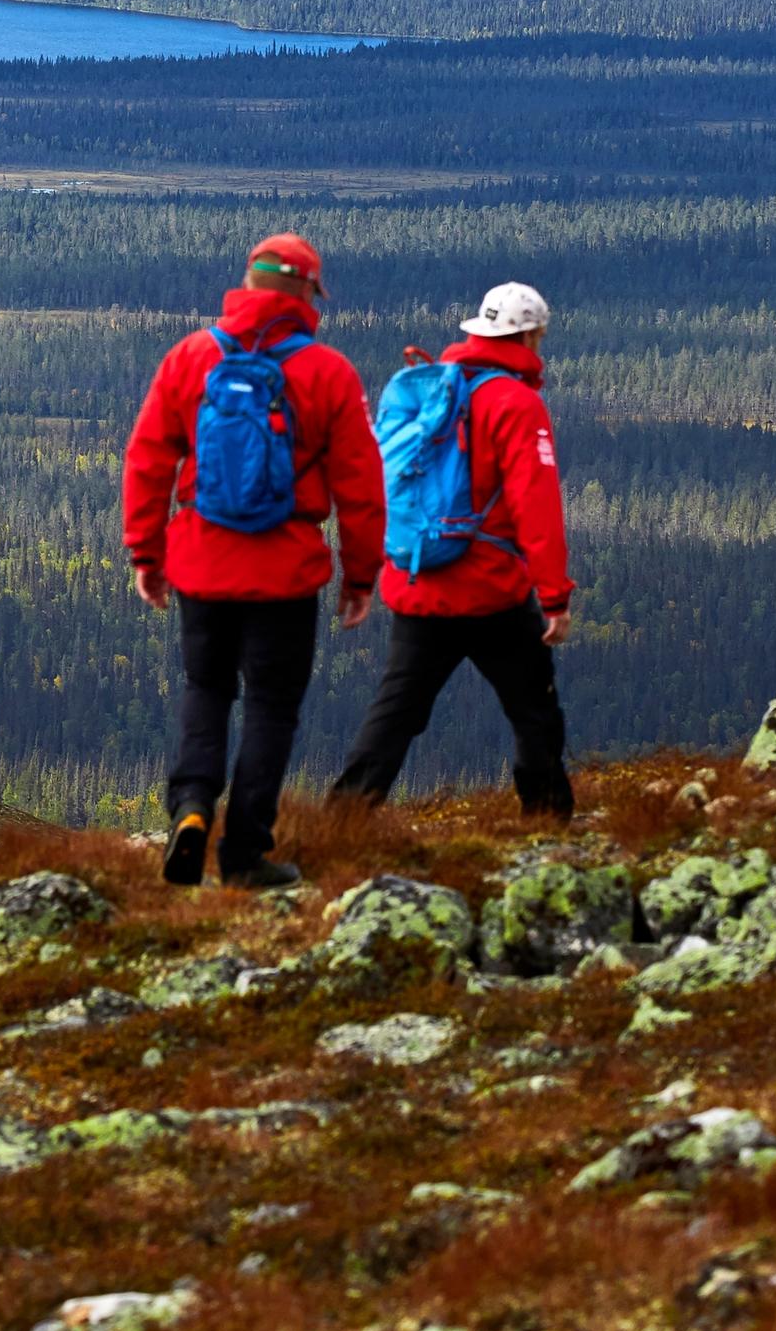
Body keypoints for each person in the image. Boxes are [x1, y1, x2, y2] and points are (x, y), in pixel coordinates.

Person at [123, 233, 385, 889]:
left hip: (200, 562)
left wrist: (147, 555)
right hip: (285, 573)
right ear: (307, 293)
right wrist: (360, 577)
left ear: (247, 283)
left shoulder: (190, 357)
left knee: (206, 689)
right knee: (271, 707)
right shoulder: (328, 372)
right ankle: (242, 854)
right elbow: (360, 487)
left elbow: (148, 459)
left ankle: (190, 807)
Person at [330, 281, 576, 819]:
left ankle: (342, 821)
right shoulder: (517, 403)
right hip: (492, 592)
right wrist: (554, 597)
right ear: (529, 335)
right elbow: (536, 505)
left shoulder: (429, 389)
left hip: (419, 582)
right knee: (534, 711)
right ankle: (547, 823)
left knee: (395, 713)